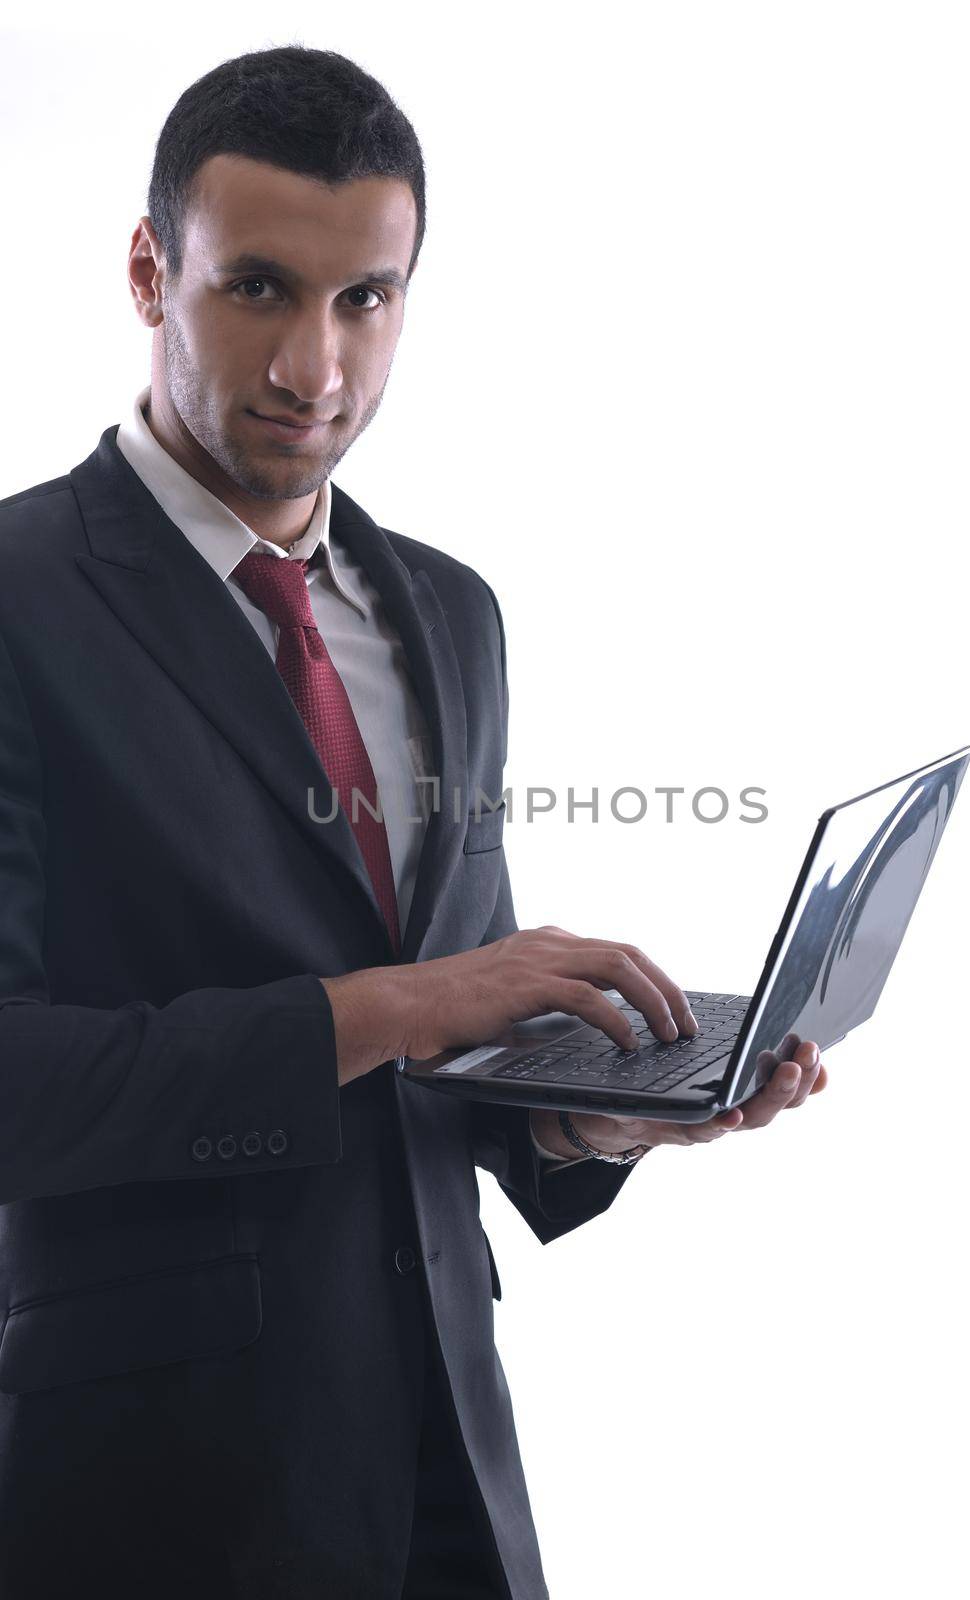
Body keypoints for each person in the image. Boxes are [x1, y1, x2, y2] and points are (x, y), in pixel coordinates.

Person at [0, 45, 826, 1600]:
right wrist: (391, 1007)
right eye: (255, 289)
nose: (314, 367)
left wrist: (594, 1112)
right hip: (146, 1500)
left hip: (452, 1468)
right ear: (144, 271)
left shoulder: (451, 614)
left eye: (364, 300)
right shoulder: (19, 600)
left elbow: (448, 1057)